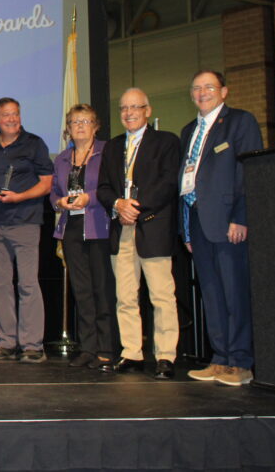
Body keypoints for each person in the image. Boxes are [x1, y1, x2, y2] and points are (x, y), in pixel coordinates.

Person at [180, 71, 262, 386]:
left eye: (209, 87)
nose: (202, 92)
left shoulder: (241, 122)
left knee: (234, 291)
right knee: (212, 293)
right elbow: (185, 179)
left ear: (223, 91)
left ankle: (240, 362)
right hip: (197, 220)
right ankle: (220, 358)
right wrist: (185, 229)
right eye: (196, 88)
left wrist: (241, 217)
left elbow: (247, 173)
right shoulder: (189, 130)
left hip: (228, 221)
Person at [96, 88, 181, 380]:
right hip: (122, 230)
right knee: (125, 297)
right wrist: (119, 204)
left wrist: (136, 207)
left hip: (153, 227)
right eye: (124, 108)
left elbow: (169, 183)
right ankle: (132, 352)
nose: (129, 113)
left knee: (161, 296)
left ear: (147, 109)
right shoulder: (112, 146)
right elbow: (103, 187)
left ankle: (165, 355)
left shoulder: (166, 141)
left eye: (135, 107)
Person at [0, 97, 53, 363]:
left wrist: (19, 197)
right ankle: (6, 342)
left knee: (28, 284)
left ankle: (33, 345)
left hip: (25, 222)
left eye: (16, 114)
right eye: (6, 115)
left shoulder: (35, 144)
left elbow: (47, 184)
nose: (12, 119)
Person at [50, 104, 115, 370]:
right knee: (82, 290)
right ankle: (87, 347)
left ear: (95, 126)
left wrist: (91, 198)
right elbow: (54, 192)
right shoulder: (63, 158)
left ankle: (107, 347)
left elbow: (113, 187)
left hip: (99, 226)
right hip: (72, 229)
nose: (79, 126)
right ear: (68, 128)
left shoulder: (106, 152)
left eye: (85, 121)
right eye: (75, 122)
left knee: (102, 288)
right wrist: (60, 202)